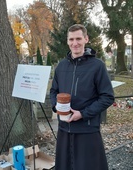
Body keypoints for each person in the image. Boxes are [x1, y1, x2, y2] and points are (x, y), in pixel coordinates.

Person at [50, 24, 114, 170]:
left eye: (78, 38)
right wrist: (56, 106)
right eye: (71, 39)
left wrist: (83, 114)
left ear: (86, 39)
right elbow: (53, 91)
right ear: (67, 41)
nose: (75, 43)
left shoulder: (97, 66)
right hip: (64, 128)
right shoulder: (61, 66)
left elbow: (107, 97)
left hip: (87, 129)